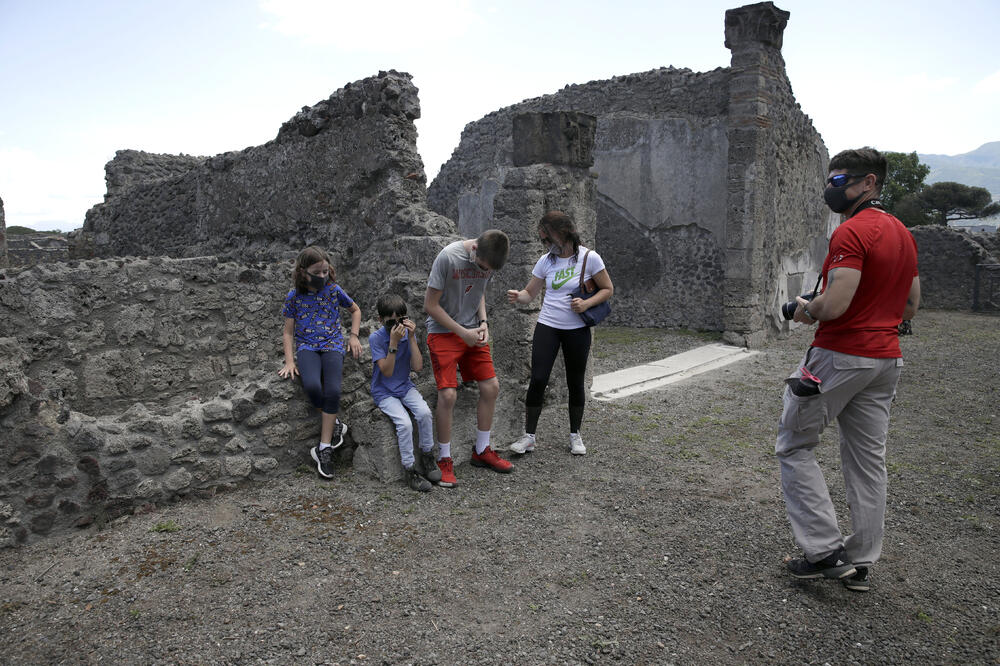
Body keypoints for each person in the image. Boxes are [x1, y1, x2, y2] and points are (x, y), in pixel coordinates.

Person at [777, 147, 920, 592]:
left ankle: (823, 552)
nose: (830, 189)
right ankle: (860, 563)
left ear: (869, 183)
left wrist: (807, 309)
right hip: (886, 359)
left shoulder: (852, 232)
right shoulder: (902, 233)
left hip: (839, 356)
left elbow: (834, 305)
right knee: (867, 462)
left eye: (840, 181)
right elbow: (912, 304)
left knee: (795, 445)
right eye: (830, 179)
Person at [506, 210, 613, 456]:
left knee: (575, 382)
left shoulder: (590, 258)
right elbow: (529, 293)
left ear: (562, 233)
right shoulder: (546, 261)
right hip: (548, 326)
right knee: (538, 379)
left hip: (577, 330)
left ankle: (575, 435)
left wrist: (585, 304)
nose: (544, 243)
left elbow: (607, 289)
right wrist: (518, 297)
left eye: (546, 238)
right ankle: (529, 436)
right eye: (542, 240)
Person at [424, 229, 512, 487]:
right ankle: (444, 459)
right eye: (483, 266)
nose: (485, 270)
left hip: (472, 330)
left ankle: (482, 450)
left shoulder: (487, 261)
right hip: (444, 332)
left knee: (491, 387)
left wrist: (483, 322)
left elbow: (478, 290)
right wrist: (462, 332)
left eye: (489, 269)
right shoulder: (448, 258)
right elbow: (430, 306)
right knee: (448, 394)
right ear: (474, 249)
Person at [278, 246, 363, 479]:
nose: (323, 276)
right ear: (303, 272)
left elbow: (355, 310)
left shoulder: (334, 290)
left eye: (326, 271)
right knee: (313, 386)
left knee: (333, 391)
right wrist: (289, 361)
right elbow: (288, 332)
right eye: (317, 272)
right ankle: (334, 423)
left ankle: (324, 448)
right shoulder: (293, 296)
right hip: (307, 347)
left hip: (333, 344)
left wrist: (353, 336)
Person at [368, 293, 441, 492]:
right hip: (384, 392)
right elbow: (387, 371)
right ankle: (409, 470)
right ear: (380, 320)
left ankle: (427, 457)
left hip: (404, 386)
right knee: (405, 423)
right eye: (391, 322)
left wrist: (411, 339)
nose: (397, 325)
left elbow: (417, 367)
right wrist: (393, 343)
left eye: (401, 319)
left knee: (424, 413)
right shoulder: (376, 338)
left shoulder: (408, 335)